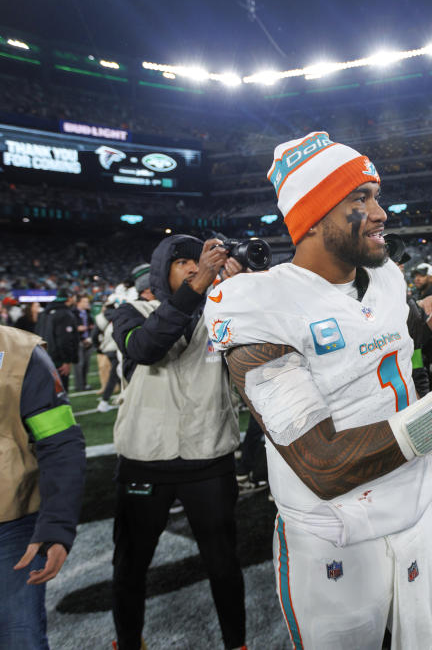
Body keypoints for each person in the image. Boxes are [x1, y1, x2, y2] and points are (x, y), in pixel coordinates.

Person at [206, 131, 432, 649]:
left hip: (416, 517)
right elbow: (323, 464)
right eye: (360, 199)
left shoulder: (386, 279)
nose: (381, 212)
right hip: (334, 538)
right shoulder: (258, 305)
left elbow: (399, 388)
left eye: (377, 195)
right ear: (315, 216)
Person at [110, 235, 247, 650]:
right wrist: (198, 286)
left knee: (224, 564)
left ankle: (236, 643)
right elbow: (148, 348)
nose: (193, 267)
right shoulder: (131, 311)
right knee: (131, 566)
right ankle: (128, 642)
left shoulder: (224, 312)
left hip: (209, 457)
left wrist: (241, 293)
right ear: (161, 271)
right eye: (183, 262)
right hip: (144, 459)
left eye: (200, 261)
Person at [0, 325, 86, 648]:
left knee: (19, 640)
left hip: (9, 524)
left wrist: (57, 525)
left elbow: (61, 443)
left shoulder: (21, 354)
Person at [35, 289, 79, 393]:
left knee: (48, 393)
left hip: (43, 358)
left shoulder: (44, 314)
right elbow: (64, 340)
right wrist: (66, 361)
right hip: (59, 362)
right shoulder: (64, 314)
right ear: (69, 298)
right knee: (60, 394)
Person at [73, 295, 94, 391]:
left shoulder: (88, 313)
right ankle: (79, 386)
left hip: (88, 341)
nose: (87, 303)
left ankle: (84, 384)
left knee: (86, 364)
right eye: (85, 301)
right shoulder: (73, 313)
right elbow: (71, 327)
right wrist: (77, 328)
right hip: (78, 341)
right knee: (79, 365)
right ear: (79, 302)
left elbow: (91, 325)